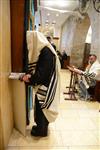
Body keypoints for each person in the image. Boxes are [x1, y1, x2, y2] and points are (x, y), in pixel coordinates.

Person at [21, 31, 61, 137]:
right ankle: (41, 127)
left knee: (42, 108)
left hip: (46, 85)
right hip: (47, 83)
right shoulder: (46, 49)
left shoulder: (46, 51)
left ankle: (41, 131)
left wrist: (30, 78)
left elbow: (42, 74)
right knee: (41, 108)